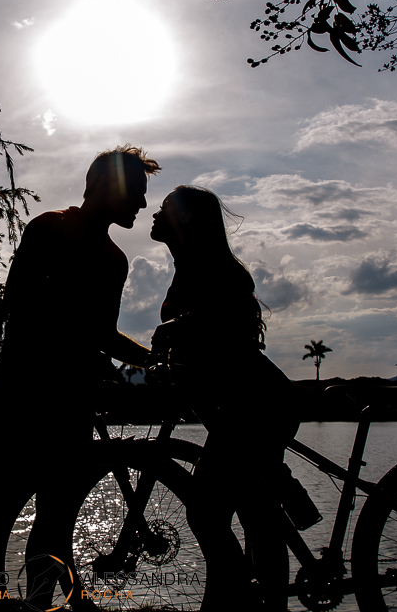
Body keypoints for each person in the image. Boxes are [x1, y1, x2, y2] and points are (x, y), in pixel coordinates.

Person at [0, 144, 161, 606]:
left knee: (54, 521)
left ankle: (37, 608)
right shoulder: (49, 228)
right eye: (137, 193)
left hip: (72, 403)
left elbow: (101, 335)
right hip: (26, 396)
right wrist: (96, 355)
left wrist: (143, 361)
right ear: (105, 188)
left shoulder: (115, 260)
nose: (143, 204)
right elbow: (20, 306)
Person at [149, 185, 299, 610]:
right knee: (253, 513)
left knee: (210, 511)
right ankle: (257, 602)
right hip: (238, 410)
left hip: (259, 407)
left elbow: (238, 285)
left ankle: (241, 601)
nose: (155, 215)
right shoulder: (186, 268)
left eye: (165, 210)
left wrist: (177, 325)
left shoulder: (213, 266)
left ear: (188, 221)